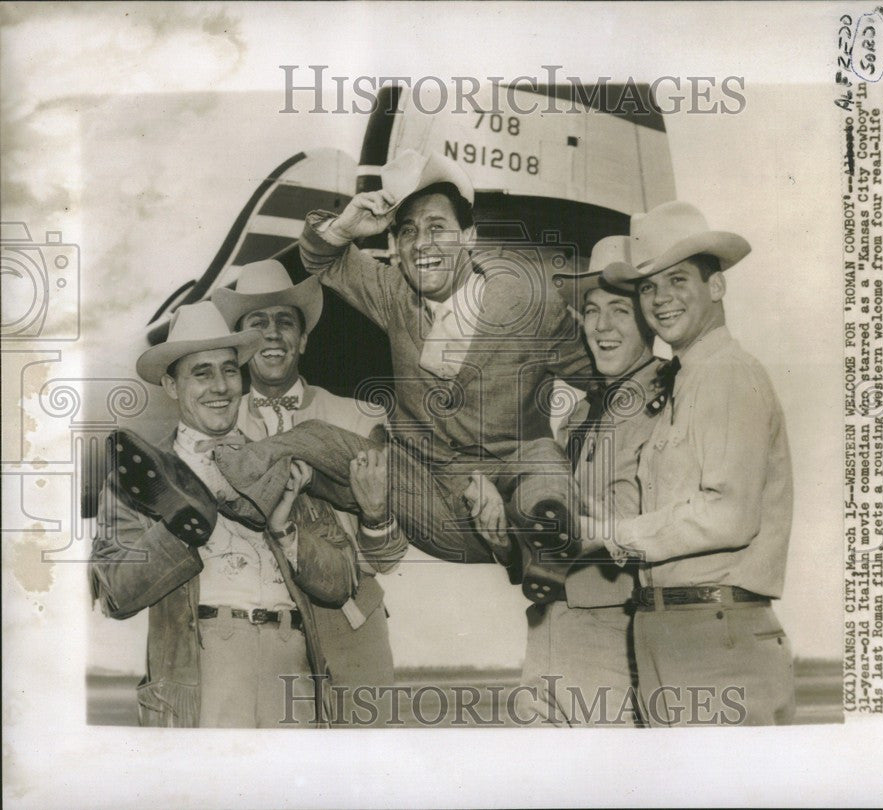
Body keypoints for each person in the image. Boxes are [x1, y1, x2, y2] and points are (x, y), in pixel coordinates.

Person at [217, 149, 594, 603]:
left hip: (513, 497)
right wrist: (346, 226)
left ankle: (544, 545)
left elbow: (602, 377)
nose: (422, 243)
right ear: (396, 246)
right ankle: (222, 488)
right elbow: (325, 259)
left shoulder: (528, 302)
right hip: (424, 498)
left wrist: (579, 440)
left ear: (469, 237)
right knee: (311, 435)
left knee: (542, 457)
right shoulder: (396, 293)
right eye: (408, 231)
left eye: (438, 228)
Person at [89, 301, 384, 727]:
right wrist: (183, 522)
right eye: (201, 373)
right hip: (206, 666)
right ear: (172, 386)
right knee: (215, 793)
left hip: (292, 663)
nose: (220, 386)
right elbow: (115, 592)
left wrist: (286, 528)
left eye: (229, 370)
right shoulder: (139, 475)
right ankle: (191, 507)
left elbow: (340, 583)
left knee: (293, 795)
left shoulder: (279, 458)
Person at [581, 201, 796, 726]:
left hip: (713, 638)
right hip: (676, 632)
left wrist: (609, 534)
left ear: (716, 286)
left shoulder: (725, 373)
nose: (660, 299)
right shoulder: (687, 380)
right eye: (649, 286)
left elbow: (729, 516)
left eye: (677, 280)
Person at [467, 235, 660, 726]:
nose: (600, 327)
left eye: (620, 310)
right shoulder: (577, 416)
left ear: (649, 317)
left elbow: (642, 529)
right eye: (591, 311)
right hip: (545, 631)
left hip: (615, 638)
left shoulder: (668, 402)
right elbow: (544, 549)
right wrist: (505, 540)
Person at [212, 259, 406, 721]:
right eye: (257, 324)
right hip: (260, 627)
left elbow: (388, 557)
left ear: (304, 339)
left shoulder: (359, 417)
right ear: (240, 346)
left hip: (350, 622)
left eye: (285, 323)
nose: (273, 334)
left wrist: (377, 514)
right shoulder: (217, 424)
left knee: (367, 770)